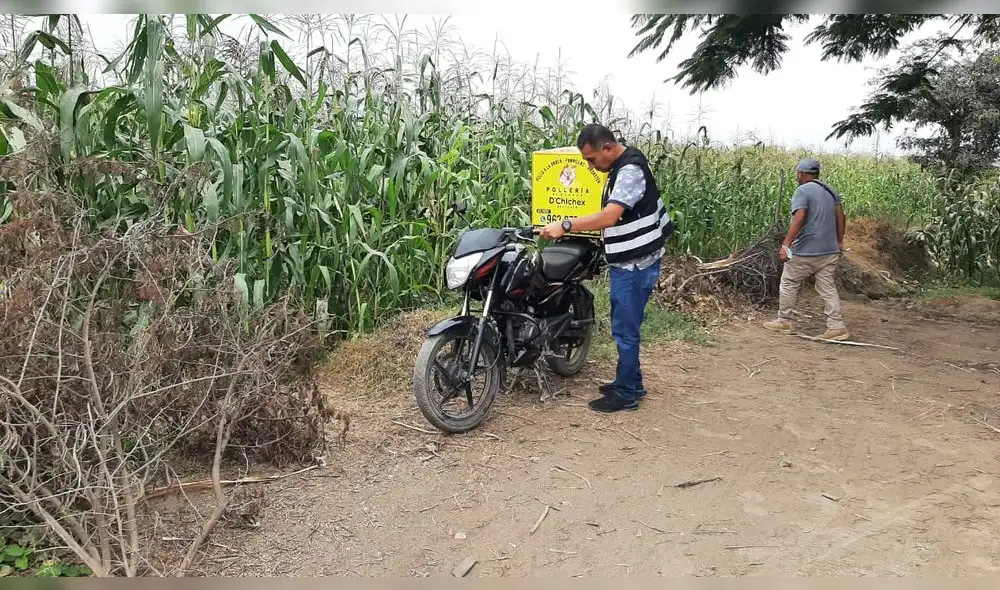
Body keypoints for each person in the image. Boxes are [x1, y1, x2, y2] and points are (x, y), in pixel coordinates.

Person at [538, 123, 674, 413]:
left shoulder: (629, 171)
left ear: (608, 148)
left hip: (635, 264)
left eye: (591, 159)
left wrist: (565, 225)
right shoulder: (622, 165)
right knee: (625, 325)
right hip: (632, 260)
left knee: (625, 329)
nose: (590, 165)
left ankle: (626, 395)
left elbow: (610, 216)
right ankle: (632, 383)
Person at [763, 157, 849, 340]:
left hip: (806, 250)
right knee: (827, 287)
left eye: (797, 174)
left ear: (801, 174)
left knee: (789, 280)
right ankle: (836, 326)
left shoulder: (802, 191)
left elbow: (800, 217)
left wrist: (786, 244)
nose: (797, 177)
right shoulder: (831, 191)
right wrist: (839, 242)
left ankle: (784, 321)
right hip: (830, 250)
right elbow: (841, 217)